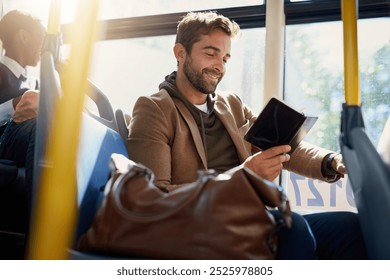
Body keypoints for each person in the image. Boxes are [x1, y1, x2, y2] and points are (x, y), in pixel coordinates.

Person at [126, 11, 367, 259]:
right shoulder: (154, 109)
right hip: (198, 229)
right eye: (210, 54)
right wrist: (244, 176)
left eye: (225, 58)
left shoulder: (232, 104)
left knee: (350, 228)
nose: (219, 66)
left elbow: (283, 148)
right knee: (292, 229)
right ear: (180, 53)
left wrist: (332, 161)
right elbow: (154, 197)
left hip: (249, 219)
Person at [0, 10, 46, 218]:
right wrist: (14, 105)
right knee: (39, 128)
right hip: (3, 142)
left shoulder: (33, 82)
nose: (44, 48)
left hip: (19, 141)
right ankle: (37, 229)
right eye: (43, 38)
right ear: (24, 36)